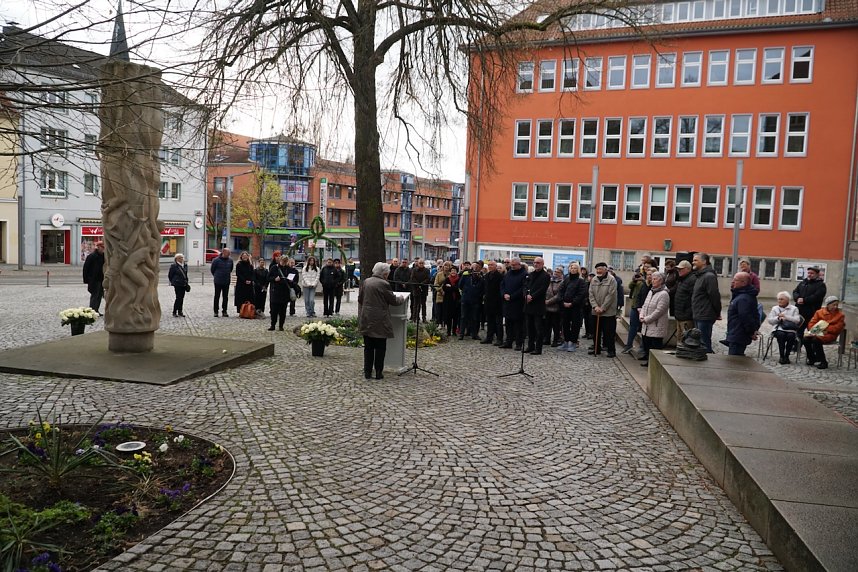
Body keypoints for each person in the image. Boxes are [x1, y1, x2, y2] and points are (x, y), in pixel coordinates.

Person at [358, 262, 406, 379]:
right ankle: (379, 372)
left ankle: (367, 372)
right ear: (384, 274)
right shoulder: (384, 284)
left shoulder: (366, 281)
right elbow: (393, 301)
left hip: (367, 317)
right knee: (380, 347)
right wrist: (402, 298)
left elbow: (360, 299)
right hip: (380, 319)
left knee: (368, 347)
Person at [802, 295, 845, 369]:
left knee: (816, 340)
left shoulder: (840, 315)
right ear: (828, 305)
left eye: (837, 305)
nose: (835, 307)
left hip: (830, 334)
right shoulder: (819, 312)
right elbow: (811, 323)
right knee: (805, 339)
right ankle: (812, 358)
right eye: (833, 305)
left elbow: (838, 328)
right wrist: (815, 329)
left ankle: (823, 362)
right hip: (817, 331)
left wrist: (825, 329)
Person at [722, 272, 759, 356]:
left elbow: (746, 317)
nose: (732, 282)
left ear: (743, 283)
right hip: (736, 333)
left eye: (735, 280)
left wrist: (751, 332)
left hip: (738, 335)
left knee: (734, 361)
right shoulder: (741, 295)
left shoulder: (744, 298)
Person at [638, 271, 670, 367]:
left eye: (655, 279)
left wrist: (647, 319)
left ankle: (654, 365)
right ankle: (648, 361)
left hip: (656, 325)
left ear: (661, 281)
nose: (652, 281)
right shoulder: (651, 291)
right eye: (652, 279)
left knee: (655, 346)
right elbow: (645, 305)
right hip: (646, 324)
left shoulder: (664, 294)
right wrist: (641, 315)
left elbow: (659, 311)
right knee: (647, 344)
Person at [691, 252, 721, 353]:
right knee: (699, 342)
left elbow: (714, 296)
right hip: (698, 314)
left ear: (704, 262)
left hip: (705, 315)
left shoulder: (709, 276)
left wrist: (717, 312)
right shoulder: (700, 276)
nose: (693, 262)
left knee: (704, 343)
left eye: (696, 260)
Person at [588, 262, 618, 357]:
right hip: (596, 311)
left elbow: (611, 295)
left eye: (601, 269)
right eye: (597, 269)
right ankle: (597, 348)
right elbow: (591, 294)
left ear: (606, 270)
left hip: (608, 312)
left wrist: (603, 307)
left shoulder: (611, 280)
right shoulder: (594, 280)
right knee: (595, 331)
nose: (599, 271)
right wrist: (595, 306)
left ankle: (611, 350)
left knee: (609, 332)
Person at [766, 292, 802, 364]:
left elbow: (797, 320)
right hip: (778, 329)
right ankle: (782, 356)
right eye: (778, 299)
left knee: (790, 336)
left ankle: (787, 356)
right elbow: (770, 321)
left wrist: (786, 317)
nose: (779, 301)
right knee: (781, 335)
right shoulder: (775, 308)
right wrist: (778, 318)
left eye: (782, 299)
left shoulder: (794, 308)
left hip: (790, 329)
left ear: (787, 300)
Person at [500, 257, 527, 350]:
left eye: (514, 265)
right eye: (511, 265)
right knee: (508, 324)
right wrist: (504, 294)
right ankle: (508, 341)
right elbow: (502, 284)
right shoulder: (509, 273)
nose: (512, 266)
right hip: (507, 302)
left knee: (518, 325)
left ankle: (519, 343)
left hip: (517, 303)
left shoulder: (524, 274)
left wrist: (512, 296)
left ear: (519, 264)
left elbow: (523, 288)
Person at [793, 265, 827, 339]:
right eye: (808, 273)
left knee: (813, 332)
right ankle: (796, 346)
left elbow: (817, 296)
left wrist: (804, 300)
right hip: (800, 311)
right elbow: (795, 291)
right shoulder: (803, 283)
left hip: (812, 312)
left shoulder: (821, 285)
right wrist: (797, 298)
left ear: (817, 274)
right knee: (798, 330)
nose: (809, 274)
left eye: (812, 273)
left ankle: (812, 348)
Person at [560, 262, 587, 352]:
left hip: (575, 307)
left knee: (575, 325)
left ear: (578, 269)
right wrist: (563, 301)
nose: (573, 269)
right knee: (565, 324)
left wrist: (572, 303)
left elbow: (581, 294)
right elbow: (561, 291)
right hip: (565, 306)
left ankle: (573, 342)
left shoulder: (581, 281)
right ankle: (566, 341)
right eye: (571, 268)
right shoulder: (566, 279)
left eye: (575, 268)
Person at [622, 270, 648, 354]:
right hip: (635, 306)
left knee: (643, 329)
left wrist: (643, 280)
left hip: (644, 307)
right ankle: (629, 345)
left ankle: (643, 347)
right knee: (632, 326)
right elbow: (630, 286)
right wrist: (634, 280)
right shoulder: (638, 282)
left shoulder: (647, 283)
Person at [459, 261, 485, 340]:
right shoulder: (466, 274)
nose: (475, 269)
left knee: (475, 318)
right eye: (474, 267)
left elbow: (483, 288)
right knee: (463, 317)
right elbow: (460, 285)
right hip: (466, 299)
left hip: (476, 300)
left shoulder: (481, 276)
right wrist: (465, 291)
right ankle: (461, 334)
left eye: (477, 267)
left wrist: (478, 295)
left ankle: (474, 334)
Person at [481, 260, 504, 345]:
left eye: (492, 265)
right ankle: (489, 337)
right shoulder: (486, 276)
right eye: (489, 265)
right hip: (488, 301)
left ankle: (499, 339)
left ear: (495, 266)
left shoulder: (500, 276)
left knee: (498, 322)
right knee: (489, 321)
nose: (490, 266)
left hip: (497, 302)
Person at [672, 260, 697, 341]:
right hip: (680, 316)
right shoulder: (682, 279)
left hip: (686, 317)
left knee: (685, 341)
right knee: (679, 339)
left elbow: (693, 299)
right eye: (678, 269)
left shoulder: (692, 280)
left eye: (681, 269)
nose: (678, 271)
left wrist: (688, 313)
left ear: (688, 269)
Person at [268, 255, 290, 331]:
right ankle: (273, 325)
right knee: (274, 310)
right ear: (280, 260)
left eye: (285, 262)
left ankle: (281, 325)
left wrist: (290, 280)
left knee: (283, 311)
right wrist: (274, 279)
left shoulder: (288, 269)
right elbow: (268, 278)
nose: (284, 263)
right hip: (276, 292)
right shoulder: (274, 268)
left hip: (284, 292)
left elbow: (293, 278)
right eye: (283, 261)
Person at [82, 241, 105, 314]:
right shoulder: (92, 256)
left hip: (102, 279)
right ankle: (92, 311)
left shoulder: (104, 256)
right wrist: (86, 280)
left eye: (104, 248)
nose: (103, 249)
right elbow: (86, 268)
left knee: (100, 295)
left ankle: (96, 310)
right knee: (94, 295)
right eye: (102, 248)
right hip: (94, 279)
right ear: (98, 247)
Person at [544, 267, 565, 347]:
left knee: (556, 325)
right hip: (547, 307)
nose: (556, 273)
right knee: (547, 324)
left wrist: (548, 302)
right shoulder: (549, 281)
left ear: (561, 273)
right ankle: (547, 339)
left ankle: (556, 340)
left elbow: (559, 295)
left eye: (558, 272)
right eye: (555, 271)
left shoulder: (562, 282)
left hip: (556, 307)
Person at [210, 248, 233, 317]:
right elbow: (212, 270)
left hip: (226, 281)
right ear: (223, 252)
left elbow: (230, 269)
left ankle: (224, 311)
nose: (229, 254)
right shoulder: (216, 260)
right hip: (218, 281)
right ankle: (216, 311)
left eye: (229, 253)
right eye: (228, 253)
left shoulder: (230, 260)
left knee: (225, 297)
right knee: (217, 296)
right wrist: (217, 276)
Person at [167, 253, 189, 317]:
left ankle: (180, 311)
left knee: (182, 298)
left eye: (182, 258)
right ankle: (174, 311)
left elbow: (185, 274)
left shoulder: (185, 265)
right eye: (180, 258)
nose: (182, 259)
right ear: (176, 259)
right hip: (177, 284)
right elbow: (170, 275)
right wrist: (173, 282)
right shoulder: (174, 266)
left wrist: (186, 282)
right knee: (178, 298)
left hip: (184, 283)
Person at [442, 267, 461, 337]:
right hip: (448, 301)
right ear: (450, 272)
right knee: (448, 317)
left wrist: (450, 287)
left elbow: (458, 288)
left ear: (457, 272)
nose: (453, 272)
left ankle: (454, 331)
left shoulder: (459, 279)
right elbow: (444, 288)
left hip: (456, 300)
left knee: (455, 317)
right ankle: (448, 331)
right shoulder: (447, 279)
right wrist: (452, 288)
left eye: (454, 271)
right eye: (452, 271)